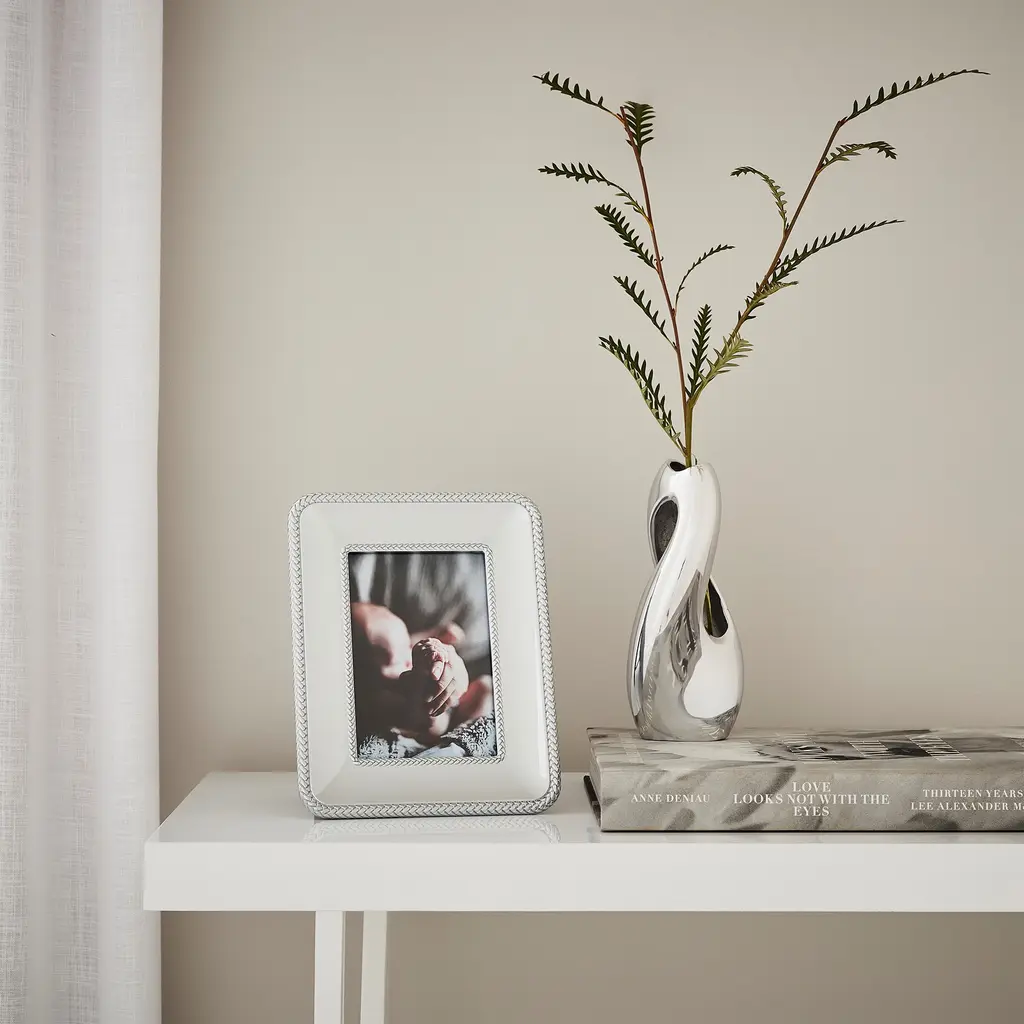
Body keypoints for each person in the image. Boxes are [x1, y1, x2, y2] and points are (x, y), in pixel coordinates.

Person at [348, 551, 496, 758]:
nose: (408, 653)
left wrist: (440, 636)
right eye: (397, 658)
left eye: (406, 644)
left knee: (485, 689)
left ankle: (462, 736)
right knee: (434, 716)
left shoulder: (399, 644)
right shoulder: (384, 696)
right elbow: (425, 723)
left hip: (457, 706)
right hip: (431, 725)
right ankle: (451, 750)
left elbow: (412, 642)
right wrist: (421, 695)